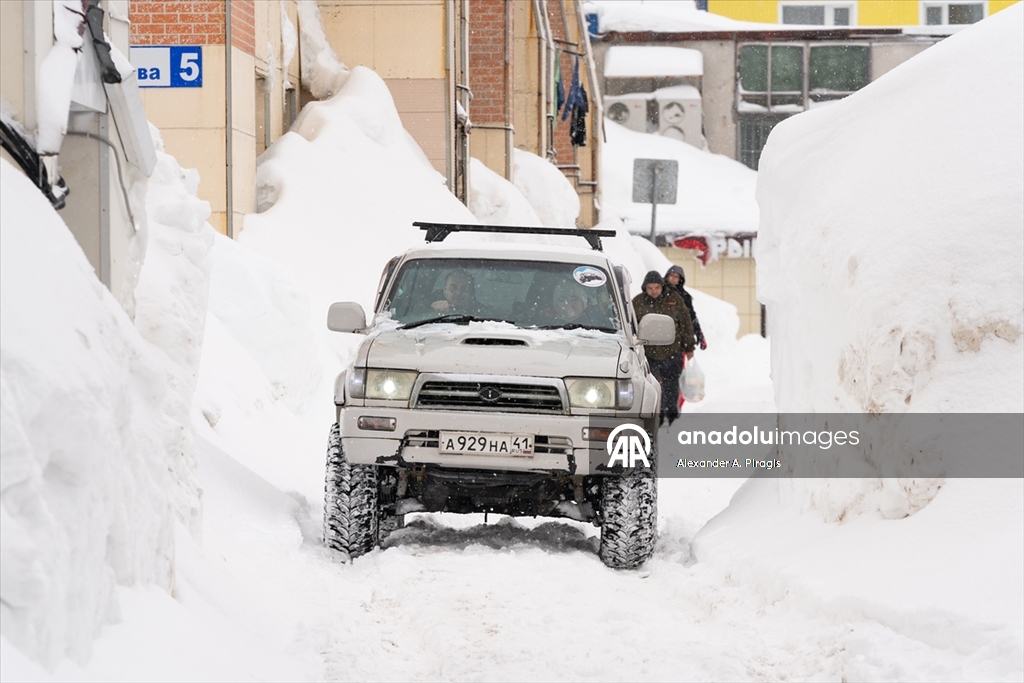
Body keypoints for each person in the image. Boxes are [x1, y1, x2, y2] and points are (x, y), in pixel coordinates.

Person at [632, 270, 694, 426]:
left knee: (671, 385)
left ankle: (671, 414)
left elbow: (686, 323)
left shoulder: (674, 299)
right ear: (645, 288)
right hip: (649, 353)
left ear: (662, 286)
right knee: (652, 386)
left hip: (672, 351)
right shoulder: (638, 302)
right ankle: (656, 416)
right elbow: (630, 325)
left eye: (657, 288)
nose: (654, 291)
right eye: (650, 288)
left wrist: (689, 347)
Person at [664, 265, 706, 351]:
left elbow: (691, 315)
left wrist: (698, 332)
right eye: (671, 275)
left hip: (678, 336)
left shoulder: (684, 296)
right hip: (659, 332)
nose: (673, 278)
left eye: (676, 276)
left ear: (680, 279)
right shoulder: (659, 290)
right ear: (667, 276)